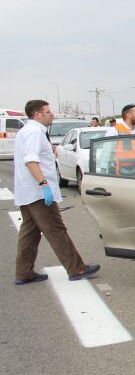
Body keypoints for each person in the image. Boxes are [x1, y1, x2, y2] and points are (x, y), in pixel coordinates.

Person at [13, 100, 99, 284]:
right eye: (48, 111)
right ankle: (77, 268)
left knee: (29, 233)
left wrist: (51, 149)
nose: (51, 114)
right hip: (38, 193)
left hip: (27, 192)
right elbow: (31, 161)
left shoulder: (28, 131)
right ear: (38, 114)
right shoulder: (35, 132)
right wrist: (44, 185)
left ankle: (24, 272)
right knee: (56, 230)